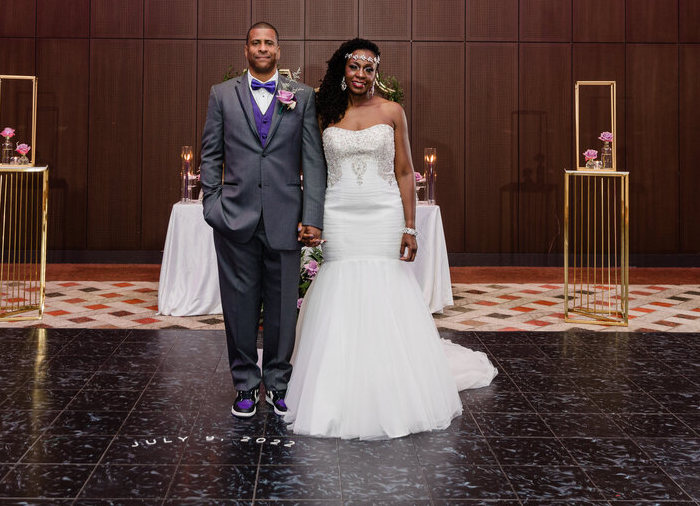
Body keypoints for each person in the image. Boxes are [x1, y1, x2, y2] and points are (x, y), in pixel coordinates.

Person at [284, 38, 496, 440]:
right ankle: (337, 385)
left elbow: (403, 171)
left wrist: (409, 226)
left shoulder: (393, 111)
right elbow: (313, 169)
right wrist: (311, 218)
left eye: (368, 68)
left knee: (385, 288)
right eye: (354, 67)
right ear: (342, 70)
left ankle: (392, 383)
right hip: (339, 213)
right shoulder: (325, 111)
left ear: (376, 72)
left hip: (382, 214)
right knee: (340, 287)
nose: (361, 75)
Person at [200, 22, 326, 418]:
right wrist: (212, 205)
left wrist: (312, 215)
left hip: (286, 219)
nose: (262, 48)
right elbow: (211, 154)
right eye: (255, 43)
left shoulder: (302, 97)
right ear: (245, 50)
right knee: (238, 305)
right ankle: (244, 385)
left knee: (283, 306)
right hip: (234, 217)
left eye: (269, 42)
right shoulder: (222, 95)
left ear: (279, 49)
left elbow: (313, 161)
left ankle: (277, 382)